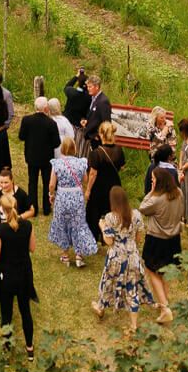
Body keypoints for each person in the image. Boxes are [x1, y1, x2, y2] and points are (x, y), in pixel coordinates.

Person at [92, 186, 154, 334]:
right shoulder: (136, 215)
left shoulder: (110, 218)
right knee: (132, 289)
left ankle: (100, 308)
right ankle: (134, 325)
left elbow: (109, 241)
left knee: (108, 282)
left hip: (116, 258)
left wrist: (102, 226)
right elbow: (138, 239)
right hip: (132, 257)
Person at [0, 195, 38, 357]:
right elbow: (32, 248)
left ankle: (7, 347)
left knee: (6, 313)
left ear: (2, 211)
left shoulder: (0, 230)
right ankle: (30, 348)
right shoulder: (28, 225)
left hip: (7, 276)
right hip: (24, 274)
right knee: (25, 311)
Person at [138, 167, 183, 324]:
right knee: (165, 270)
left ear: (159, 182)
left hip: (156, 240)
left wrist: (151, 192)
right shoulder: (178, 193)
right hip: (174, 239)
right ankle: (165, 300)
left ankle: (165, 308)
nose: (152, 181)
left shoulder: (156, 200)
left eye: (153, 179)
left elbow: (142, 208)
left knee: (151, 270)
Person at [47, 138, 97, 267]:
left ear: (62, 148)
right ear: (74, 148)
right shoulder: (81, 163)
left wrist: (51, 195)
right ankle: (79, 255)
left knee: (62, 223)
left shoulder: (57, 163)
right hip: (77, 196)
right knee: (78, 223)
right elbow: (85, 180)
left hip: (62, 196)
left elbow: (52, 184)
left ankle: (65, 255)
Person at [84, 121, 126, 246]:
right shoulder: (119, 150)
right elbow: (122, 166)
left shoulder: (96, 153)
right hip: (114, 185)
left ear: (101, 135)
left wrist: (88, 190)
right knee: (112, 211)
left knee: (94, 212)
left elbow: (93, 174)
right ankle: (110, 236)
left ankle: (94, 236)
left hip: (99, 187)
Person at [18, 96, 60, 214]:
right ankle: (46, 208)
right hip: (47, 158)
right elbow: (57, 143)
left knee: (32, 182)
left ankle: (33, 208)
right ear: (46, 108)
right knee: (46, 182)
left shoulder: (26, 120)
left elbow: (21, 136)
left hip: (31, 156)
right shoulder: (51, 123)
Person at [80, 75, 112, 154]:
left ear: (97, 87)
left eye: (90, 87)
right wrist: (86, 121)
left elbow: (107, 122)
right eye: (87, 87)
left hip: (98, 141)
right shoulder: (93, 98)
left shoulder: (103, 101)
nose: (88, 89)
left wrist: (97, 136)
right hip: (91, 137)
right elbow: (94, 116)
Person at [62, 70, 90, 150]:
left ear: (78, 83)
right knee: (77, 148)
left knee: (66, 147)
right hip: (79, 126)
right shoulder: (88, 97)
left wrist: (76, 76)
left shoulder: (71, 92)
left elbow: (67, 86)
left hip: (68, 122)